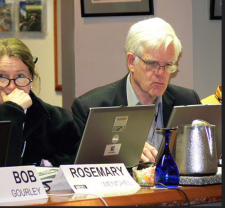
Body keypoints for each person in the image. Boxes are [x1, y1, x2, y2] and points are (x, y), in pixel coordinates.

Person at [71, 17, 201, 163]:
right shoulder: (92, 107)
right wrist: (125, 149)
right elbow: (81, 166)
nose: (161, 73)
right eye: (152, 64)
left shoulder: (187, 101)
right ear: (131, 62)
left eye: (168, 65)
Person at [0, 38, 81, 167]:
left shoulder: (55, 118)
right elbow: (0, 168)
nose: (11, 86)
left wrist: (46, 164)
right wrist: (11, 111)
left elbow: (80, 158)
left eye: (20, 76)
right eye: (1, 77)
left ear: (32, 79)